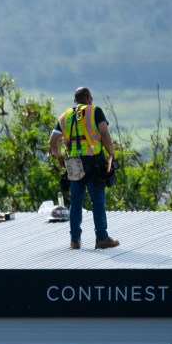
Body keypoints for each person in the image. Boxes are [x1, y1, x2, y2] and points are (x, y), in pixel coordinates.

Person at [49, 87, 119, 250]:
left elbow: (53, 142)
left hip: (73, 164)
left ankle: (75, 240)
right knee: (98, 201)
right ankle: (101, 238)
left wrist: (60, 157)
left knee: (76, 201)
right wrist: (111, 155)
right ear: (88, 98)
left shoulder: (64, 116)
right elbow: (105, 134)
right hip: (93, 162)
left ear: (75, 101)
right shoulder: (95, 111)